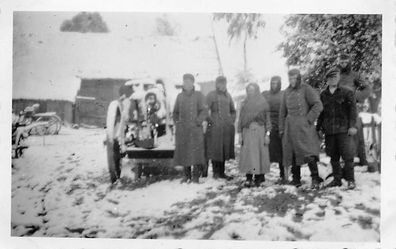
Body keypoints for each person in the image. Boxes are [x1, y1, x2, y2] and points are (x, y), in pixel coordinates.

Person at [279, 69, 323, 189]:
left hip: (304, 126)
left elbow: (318, 104)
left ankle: (315, 178)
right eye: (290, 78)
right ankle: (296, 179)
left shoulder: (306, 89)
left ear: (299, 78)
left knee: (308, 151)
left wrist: (309, 119)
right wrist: (282, 128)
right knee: (292, 153)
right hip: (290, 127)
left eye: (294, 78)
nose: (292, 81)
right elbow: (282, 112)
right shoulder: (286, 92)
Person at [317, 67, 357, 189]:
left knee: (347, 156)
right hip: (329, 131)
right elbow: (321, 113)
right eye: (330, 78)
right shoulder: (323, 94)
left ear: (339, 78)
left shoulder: (347, 92)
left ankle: (350, 180)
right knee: (333, 156)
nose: (332, 80)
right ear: (327, 80)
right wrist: (318, 128)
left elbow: (353, 111)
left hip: (344, 129)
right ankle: (337, 179)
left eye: (335, 77)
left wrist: (352, 126)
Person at [337, 53, 372, 166]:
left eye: (345, 62)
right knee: (340, 134)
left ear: (349, 62)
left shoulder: (355, 75)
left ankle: (363, 160)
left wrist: (355, 96)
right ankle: (343, 161)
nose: (343, 64)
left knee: (357, 132)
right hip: (338, 109)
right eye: (341, 62)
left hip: (351, 108)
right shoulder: (335, 75)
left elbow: (367, 88)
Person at [173, 73, 208, 183]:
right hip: (183, 129)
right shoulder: (179, 96)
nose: (187, 84)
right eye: (185, 81)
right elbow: (175, 112)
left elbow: (204, 110)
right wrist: (177, 122)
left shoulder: (199, 95)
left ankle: (196, 176)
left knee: (196, 153)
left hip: (195, 129)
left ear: (193, 83)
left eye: (189, 81)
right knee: (184, 152)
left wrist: (198, 121)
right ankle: (186, 175)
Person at [238, 83, 271, 188]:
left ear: (256, 90)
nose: (250, 92)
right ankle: (248, 177)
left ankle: (259, 177)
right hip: (247, 131)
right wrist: (239, 134)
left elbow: (268, 120)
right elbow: (241, 119)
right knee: (248, 155)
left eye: (252, 90)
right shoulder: (244, 103)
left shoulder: (263, 102)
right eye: (248, 90)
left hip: (260, 130)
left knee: (260, 154)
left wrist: (267, 134)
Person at [206, 76, 236, 180]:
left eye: (224, 83)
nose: (222, 86)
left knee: (224, 149)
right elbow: (204, 110)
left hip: (226, 127)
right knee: (216, 149)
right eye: (220, 83)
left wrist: (231, 120)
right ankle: (216, 172)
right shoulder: (211, 95)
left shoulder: (228, 96)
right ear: (216, 84)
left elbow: (233, 110)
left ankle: (222, 172)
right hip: (215, 127)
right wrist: (211, 121)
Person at [262, 76, 286, 184]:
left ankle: (283, 175)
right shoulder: (265, 95)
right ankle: (260, 175)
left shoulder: (283, 95)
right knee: (264, 150)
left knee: (281, 152)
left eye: (276, 83)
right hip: (267, 126)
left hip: (280, 125)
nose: (274, 85)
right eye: (272, 83)